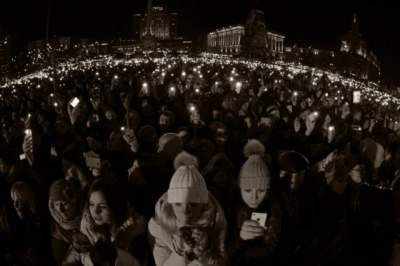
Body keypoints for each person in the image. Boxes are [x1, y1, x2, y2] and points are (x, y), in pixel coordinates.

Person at [148, 151, 228, 266]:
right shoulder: (161, 226)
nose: (185, 211)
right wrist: (180, 253)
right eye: (178, 204)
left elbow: (223, 262)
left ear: (203, 205)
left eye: (193, 205)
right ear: (170, 204)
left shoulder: (216, 221)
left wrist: (205, 251)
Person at [65, 178, 146, 266]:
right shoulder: (88, 225)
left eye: (103, 206)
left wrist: (113, 253)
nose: (95, 211)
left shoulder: (134, 228)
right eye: (92, 204)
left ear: (115, 207)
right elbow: (78, 255)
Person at [227, 139, 282, 266]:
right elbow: (223, 252)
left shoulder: (276, 209)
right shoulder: (229, 209)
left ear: (267, 190)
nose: (254, 197)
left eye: (261, 190)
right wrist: (240, 238)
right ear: (239, 188)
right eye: (247, 190)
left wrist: (269, 236)